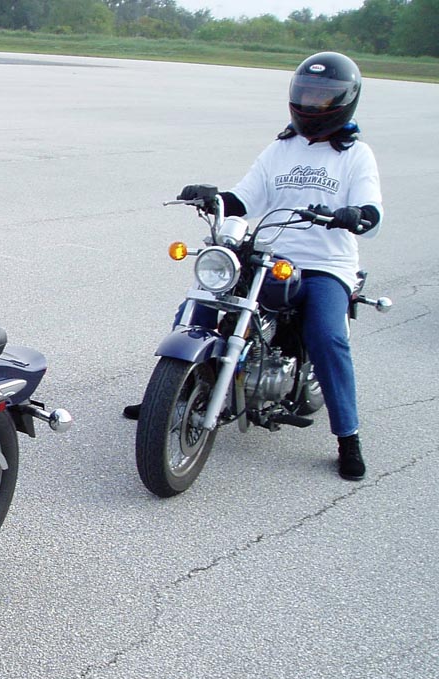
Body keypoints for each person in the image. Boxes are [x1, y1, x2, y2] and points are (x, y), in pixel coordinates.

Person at [124, 51, 383, 482]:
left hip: (325, 263)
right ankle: (168, 395)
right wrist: (214, 199)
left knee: (327, 336)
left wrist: (357, 215)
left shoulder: (356, 155)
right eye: (307, 93)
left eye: (323, 96)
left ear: (344, 100)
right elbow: (245, 198)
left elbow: (371, 211)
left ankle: (348, 436)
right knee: (201, 303)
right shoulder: (280, 148)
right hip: (270, 254)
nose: (313, 103)